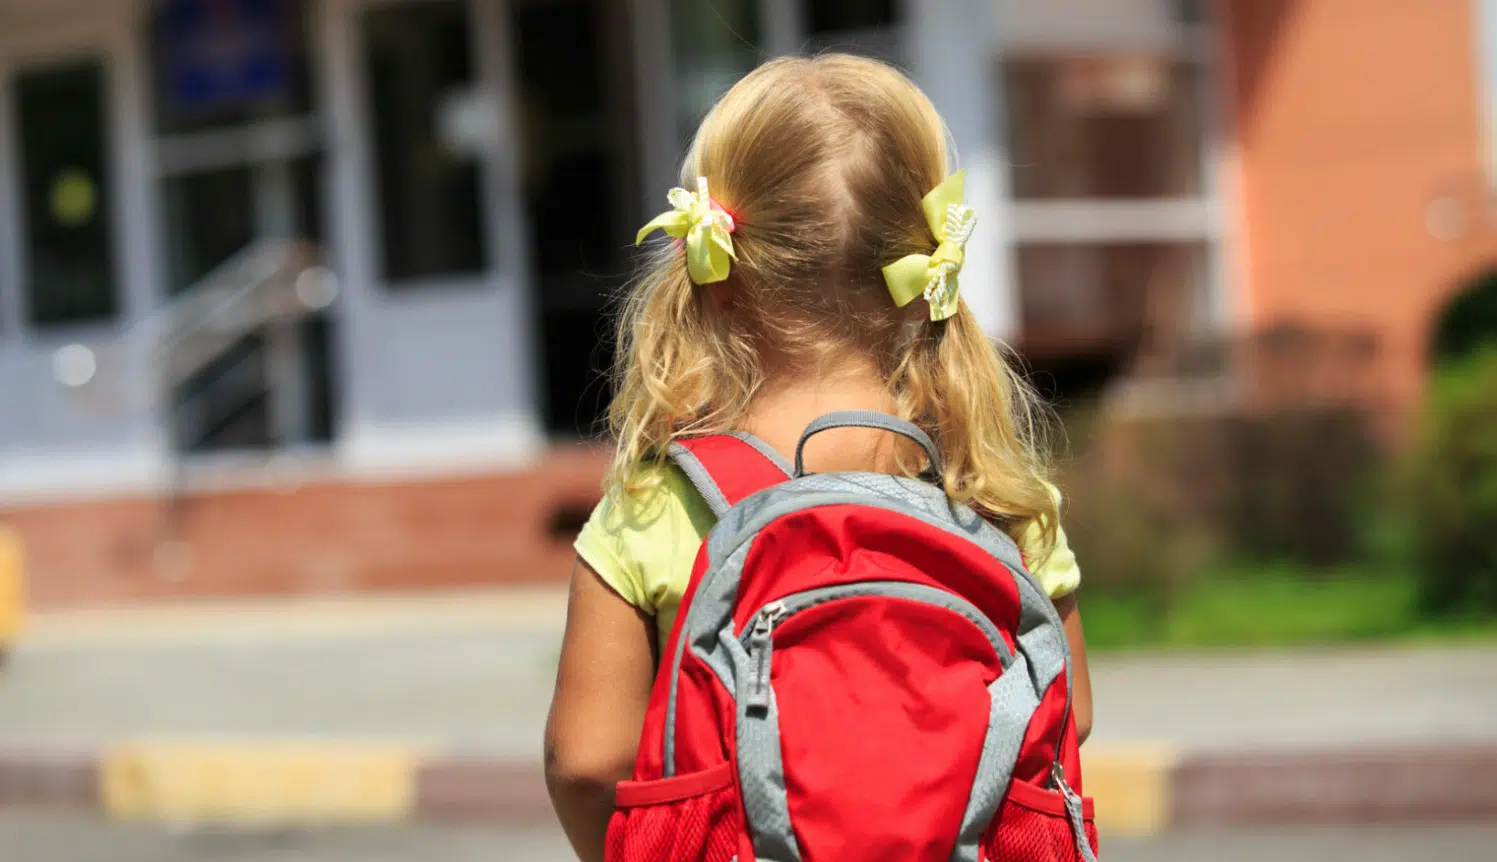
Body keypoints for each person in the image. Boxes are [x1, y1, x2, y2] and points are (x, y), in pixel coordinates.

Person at [544, 53, 1092, 862]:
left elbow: (587, 761)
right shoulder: (990, 489)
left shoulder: (659, 501)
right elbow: (1066, 715)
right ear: (920, 264)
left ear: (715, 272)